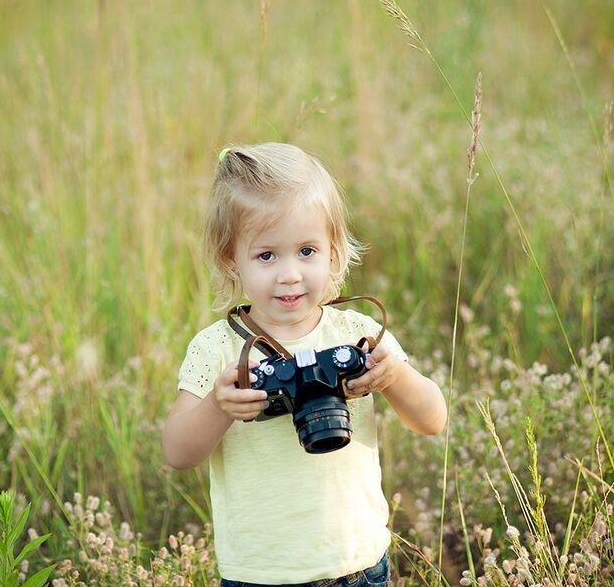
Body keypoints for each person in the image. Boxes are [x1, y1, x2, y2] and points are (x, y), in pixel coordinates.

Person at [162, 142, 447, 586]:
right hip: (260, 574)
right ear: (228, 257)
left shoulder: (356, 333)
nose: (290, 274)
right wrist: (220, 406)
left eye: (307, 251)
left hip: (358, 564)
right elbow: (177, 453)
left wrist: (394, 376)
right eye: (266, 255)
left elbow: (433, 420)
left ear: (334, 250)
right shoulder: (216, 348)